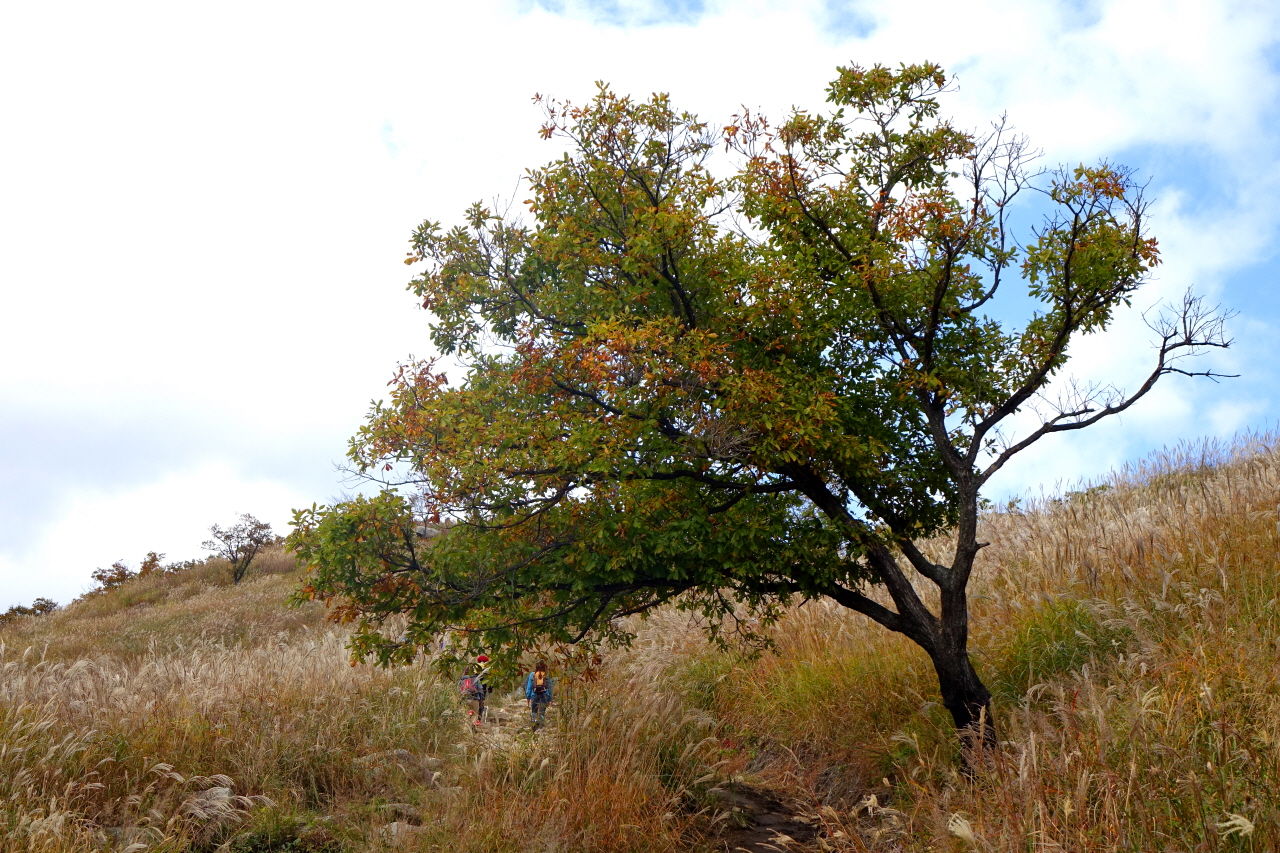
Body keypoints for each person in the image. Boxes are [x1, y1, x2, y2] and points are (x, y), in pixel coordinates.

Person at [460, 654, 491, 725]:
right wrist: (482, 698)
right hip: (476, 695)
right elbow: (481, 688)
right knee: (476, 711)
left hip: (465, 697)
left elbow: (459, 688)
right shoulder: (486, 670)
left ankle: (466, 726)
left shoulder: (462, 679)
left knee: (466, 713)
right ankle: (477, 722)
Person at [524, 660, 553, 729]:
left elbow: (529, 687)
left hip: (534, 695)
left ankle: (533, 724)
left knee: (534, 711)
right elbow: (550, 687)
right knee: (542, 711)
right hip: (544, 695)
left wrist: (528, 698)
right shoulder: (546, 675)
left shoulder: (532, 675)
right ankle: (541, 727)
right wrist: (550, 699)